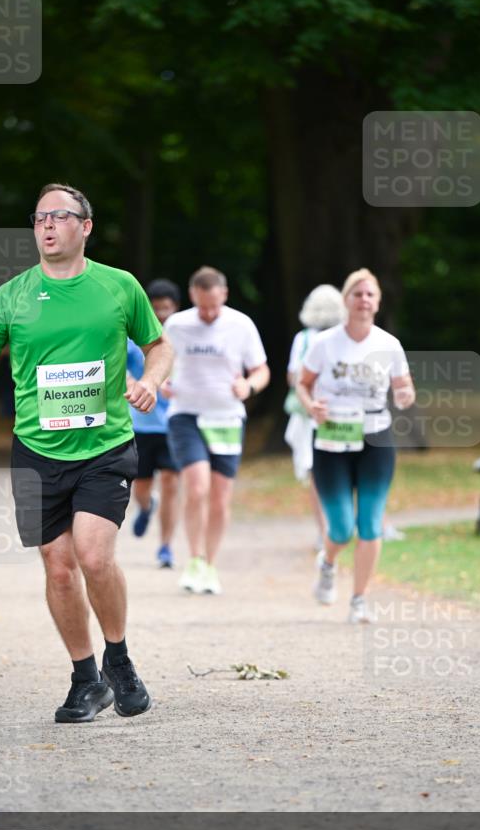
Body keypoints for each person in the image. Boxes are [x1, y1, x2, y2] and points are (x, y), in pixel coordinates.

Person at [0, 183, 173, 724]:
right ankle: (86, 679)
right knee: (59, 567)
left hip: (104, 445)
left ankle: (120, 658)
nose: (45, 225)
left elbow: (159, 345)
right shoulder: (13, 295)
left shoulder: (118, 287)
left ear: (84, 227)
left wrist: (152, 380)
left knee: (93, 556)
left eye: (59, 216)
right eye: (39, 217)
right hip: (36, 450)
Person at [296, 268, 415, 624]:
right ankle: (329, 563)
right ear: (345, 300)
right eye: (357, 294)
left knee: (370, 523)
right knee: (341, 528)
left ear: (377, 302)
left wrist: (406, 394)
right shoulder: (324, 343)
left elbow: (404, 387)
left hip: (376, 437)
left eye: (370, 295)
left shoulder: (388, 344)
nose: (364, 300)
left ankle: (359, 599)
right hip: (332, 437)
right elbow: (302, 384)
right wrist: (310, 405)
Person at [165, 265, 270, 595]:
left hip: (226, 417)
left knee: (221, 497)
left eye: (214, 305)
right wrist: (162, 382)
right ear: (193, 296)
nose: (208, 313)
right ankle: (194, 558)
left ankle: (210, 564)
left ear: (224, 295)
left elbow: (261, 370)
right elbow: (160, 360)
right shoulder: (177, 324)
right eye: (202, 306)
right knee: (196, 487)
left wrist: (249, 386)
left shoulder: (241, 325)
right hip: (186, 414)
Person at [285, 284, 347, 550]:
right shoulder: (343, 338)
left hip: (314, 414)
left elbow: (293, 375)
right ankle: (331, 528)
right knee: (333, 469)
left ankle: (325, 530)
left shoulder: (305, 338)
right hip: (333, 414)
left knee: (317, 473)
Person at [127, 278, 180, 568]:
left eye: (166, 308)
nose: (161, 313)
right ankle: (147, 506)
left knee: (172, 481)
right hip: (142, 423)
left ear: (175, 308)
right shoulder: (135, 335)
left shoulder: (182, 336)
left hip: (174, 423)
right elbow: (117, 364)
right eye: (156, 307)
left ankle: (166, 546)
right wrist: (132, 382)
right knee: (142, 487)